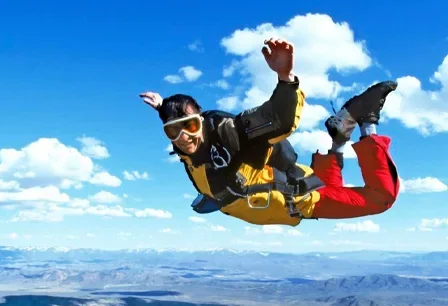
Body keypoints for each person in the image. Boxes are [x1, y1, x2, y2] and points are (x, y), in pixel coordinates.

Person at [138, 37, 400, 227]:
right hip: (300, 189)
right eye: (172, 131)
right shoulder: (185, 144)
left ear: (201, 122)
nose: (183, 138)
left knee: (381, 198)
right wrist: (163, 107)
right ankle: (340, 132)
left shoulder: (232, 134)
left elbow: (279, 119)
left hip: (303, 200)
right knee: (334, 187)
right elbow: (180, 123)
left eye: (190, 127)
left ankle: (367, 124)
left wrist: (285, 78)